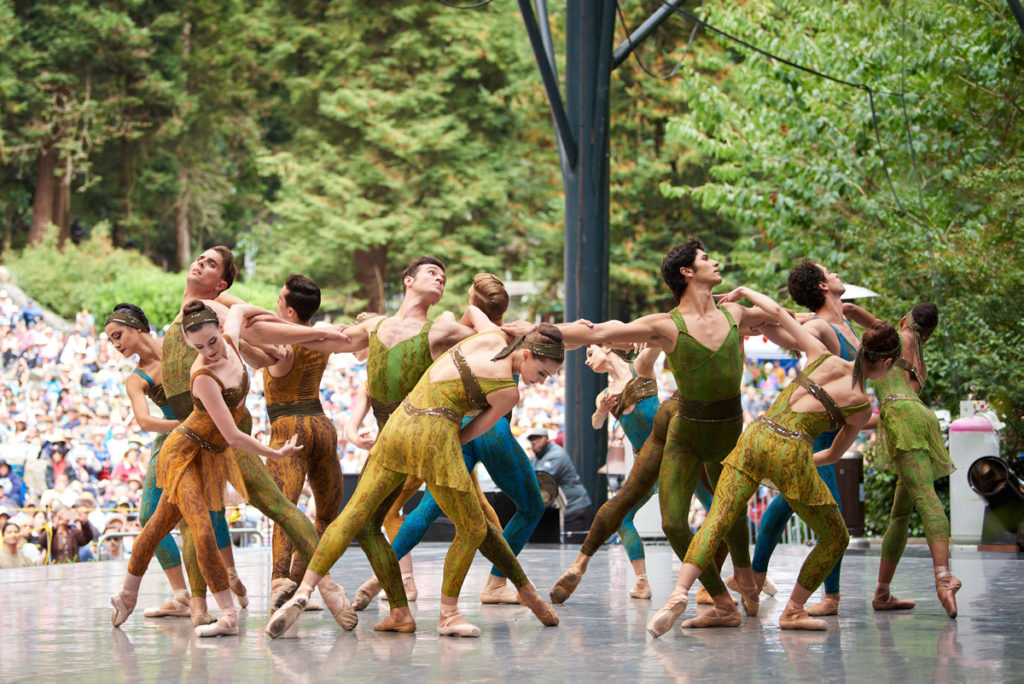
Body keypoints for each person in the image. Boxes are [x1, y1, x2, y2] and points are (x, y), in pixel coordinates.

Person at [265, 313, 562, 639]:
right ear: (527, 353)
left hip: (399, 424)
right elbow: (472, 431)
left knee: (352, 517)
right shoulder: (508, 391)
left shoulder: (490, 336)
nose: (542, 381)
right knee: (474, 527)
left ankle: (305, 590)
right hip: (437, 436)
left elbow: (472, 312)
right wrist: (442, 450)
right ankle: (449, 614)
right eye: (543, 372)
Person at [545, 239, 780, 618]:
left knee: (722, 509)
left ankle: (739, 580)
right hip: (670, 438)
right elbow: (597, 341)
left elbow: (780, 318)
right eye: (706, 258)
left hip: (704, 428)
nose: (715, 260)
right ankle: (711, 591)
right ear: (687, 272)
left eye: (594, 352)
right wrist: (535, 332)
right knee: (660, 516)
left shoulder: (653, 356)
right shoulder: (619, 377)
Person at [646, 286, 897, 636]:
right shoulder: (860, 405)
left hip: (755, 436)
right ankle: (794, 610)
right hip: (793, 451)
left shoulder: (822, 355)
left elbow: (778, 314)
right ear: (884, 363)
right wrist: (797, 464)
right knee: (835, 536)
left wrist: (745, 291)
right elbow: (834, 454)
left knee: (715, 520)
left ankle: (678, 593)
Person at [110, 302, 346, 638]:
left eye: (211, 342)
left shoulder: (231, 340)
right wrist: (274, 453)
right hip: (184, 452)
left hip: (213, 450)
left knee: (159, 523)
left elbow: (240, 309)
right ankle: (227, 614)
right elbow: (233, 435)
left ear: (221, 332)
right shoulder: (201, 376)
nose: (207, 351)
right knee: (195, 528)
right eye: (198, 348)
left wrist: (296, 327)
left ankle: (126, 594)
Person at [157, 246, 352, 626]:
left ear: (221, 283)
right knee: (188, 518)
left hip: (242, 429)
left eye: (210, 263)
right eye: (200, 257)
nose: (200, 262)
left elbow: (261, 334)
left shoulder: (216, 308)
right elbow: (260, 346)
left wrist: (310, 334)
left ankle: (315, 585)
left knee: (277, 505)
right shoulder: (201, 310)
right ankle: (200, 606)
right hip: (196, 431)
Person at [364, 274, 547, 606]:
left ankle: (381, 575)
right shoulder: (512, 338)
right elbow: (554, 344)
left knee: (428, 508)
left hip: (451, 428)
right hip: (490, 431)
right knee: (531, 507)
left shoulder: (455, 333)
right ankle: (495, 583)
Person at [105, 302, 236, 621]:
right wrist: (186, 426)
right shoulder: (135, 379)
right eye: (111, 340)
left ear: (137, 327)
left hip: (212, 432)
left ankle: (229, 581)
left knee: (211, 511)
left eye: (118, 335)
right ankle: (183, 595)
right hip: (173, 441)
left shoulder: (181, 341)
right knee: (152, 515)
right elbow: (145, 421)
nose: (116, 344)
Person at [747, 260, 862, 616]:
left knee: (783, 507)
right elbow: (784, 329)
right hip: (810, 436)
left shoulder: (844, 323)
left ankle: (752, 578)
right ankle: (829, 597)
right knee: (834, 521)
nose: (838, 273)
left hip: (826, 434)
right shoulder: (820, 326)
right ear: (823, 286)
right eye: (830, 272)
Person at [845, 301, 960, 618]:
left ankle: (943, 578)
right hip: (917, 419)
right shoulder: (919, 362)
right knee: (900, 515)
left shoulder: (891, 336)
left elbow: (851, 309)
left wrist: (812, 314)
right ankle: (882, 593)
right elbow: (892, 409)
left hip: (902, 420)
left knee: (926, 498)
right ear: (929, 333)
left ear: (905, 319)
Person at [243, 275, 345, 610]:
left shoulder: (280, 347)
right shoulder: (324, 339)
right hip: (322, 426)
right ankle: (303, 582)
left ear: (288, 311)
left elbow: (245, 332)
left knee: (284, 509)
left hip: (289, 428)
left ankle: (278, 581)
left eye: (277, 302)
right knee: (327, 514)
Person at [527, 428, 593, 532]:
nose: (534, 442)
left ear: (547, 438)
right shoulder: (538, 457)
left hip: (575, 508)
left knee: (575, 547)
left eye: (538, 438)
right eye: (531, 439)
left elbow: (539, 481)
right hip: (565, 511)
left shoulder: (556, 454)